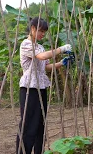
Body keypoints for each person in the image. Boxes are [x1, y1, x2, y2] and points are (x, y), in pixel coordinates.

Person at [16, 17, 73, 154]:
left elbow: (45, 66)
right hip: (29, 88)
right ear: (33, 28)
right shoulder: (26, 44)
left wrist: (61, 63)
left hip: (41, 88)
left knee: (40, 123)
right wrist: (61, 49)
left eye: (44, 32)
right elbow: (41, 57)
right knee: (29, 123)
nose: (43, 34)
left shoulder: (40, 46)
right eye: (41, 31)